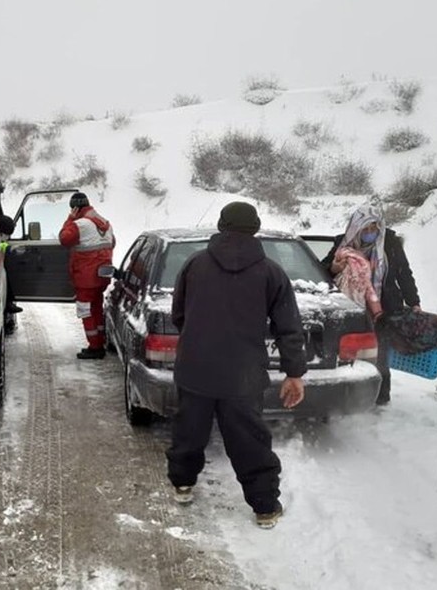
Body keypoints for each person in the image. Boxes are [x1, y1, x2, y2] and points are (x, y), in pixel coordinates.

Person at [166, 201, 306, 529]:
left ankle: (183, 484)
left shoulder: (194, 265)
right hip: (243, 375)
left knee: (189, 430)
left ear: (221, 225)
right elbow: (289, 326)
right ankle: (265, 507)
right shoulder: (272, 272)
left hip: (196, 368)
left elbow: (178, 315)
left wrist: (199, 338)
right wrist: (294, 372)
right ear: (255, 228)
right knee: (249, 440)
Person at [322, 204, 421, 405]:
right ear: (355, 229)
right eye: (365, 229)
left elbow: (404, 273)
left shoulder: (390, 243)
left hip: (383, 308)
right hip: (351, 306)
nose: (370, 233)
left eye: (374, 228)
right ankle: (346, 397)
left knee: (380, 353)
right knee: (348, 353)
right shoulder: (343, 244)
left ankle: (380, 399)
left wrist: (414, 302)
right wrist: (334, 267)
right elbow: (322, 270)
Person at [59, 192, 115, 359]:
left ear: (75, 208)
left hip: (85, 278)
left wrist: (69, 219)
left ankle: (95, 347)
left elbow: (64, 239)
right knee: (96, 308)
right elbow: (112, 243)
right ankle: (100, 339)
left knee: (86, 311)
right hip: (102, 275)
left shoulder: (80, 224)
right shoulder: (105, 223)